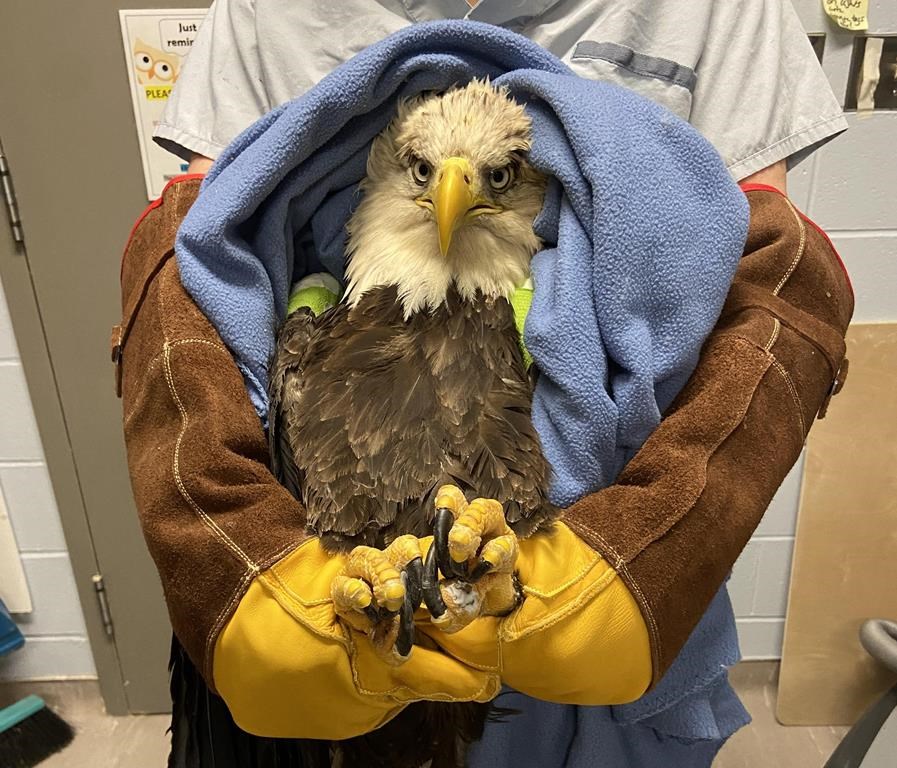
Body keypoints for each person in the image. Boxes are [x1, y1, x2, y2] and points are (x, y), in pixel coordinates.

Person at [115, 1, 852, 765]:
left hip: (605, 544)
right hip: (324, 570)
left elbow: (764, 279)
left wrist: (648, 554)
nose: (452, 196)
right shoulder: (267, 11)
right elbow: (202, 253)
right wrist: (235, 557)